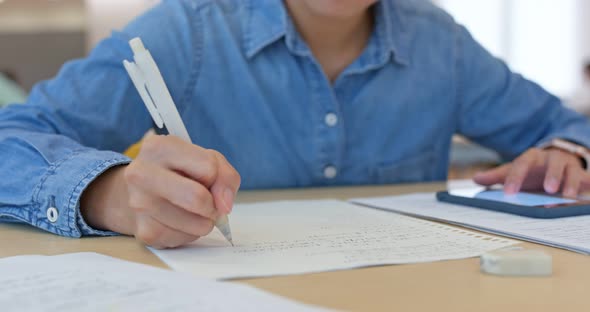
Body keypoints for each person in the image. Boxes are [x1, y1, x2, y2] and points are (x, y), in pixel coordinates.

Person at [1, 0, 590, 249]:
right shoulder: (186, 32)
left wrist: (566, 151)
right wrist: (107, 196)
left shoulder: (442, 45)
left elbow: (565, 125)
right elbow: (9, 139)